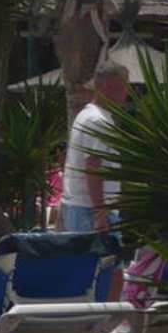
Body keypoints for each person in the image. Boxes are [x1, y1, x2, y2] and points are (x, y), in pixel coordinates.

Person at [61, 59, 130, 233]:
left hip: (84, 208)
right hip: (90, 211)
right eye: (124, 86)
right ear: (108, 86)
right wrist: (100, 214)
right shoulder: (97, 121)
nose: (127, 92)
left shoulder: (88, 115)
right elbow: (93, 165)